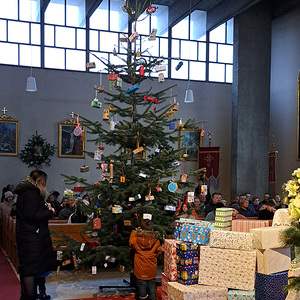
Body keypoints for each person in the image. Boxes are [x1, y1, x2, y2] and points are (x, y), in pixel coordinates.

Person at [14, 169, 56, 300]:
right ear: (40, 181)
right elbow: (31, 215)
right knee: (30, 269)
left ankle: (28, 295)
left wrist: (44, 207)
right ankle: (29, 296)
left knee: (29, 267)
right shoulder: (31, 193)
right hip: (31, 237)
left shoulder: (26, 192)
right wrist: (50, 212)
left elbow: (31, 211)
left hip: (28, 235)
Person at [129, 219, 162, 300]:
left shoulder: (136, 239)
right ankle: (153, 298)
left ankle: (142, 297)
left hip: (140, 269)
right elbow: (160, 251)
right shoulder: (155, 240)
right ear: (152, 229)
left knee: (141, 285)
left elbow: (131, 243)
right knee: (152, 284)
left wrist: (134, 232)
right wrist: (155, 255)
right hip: (151, 268)